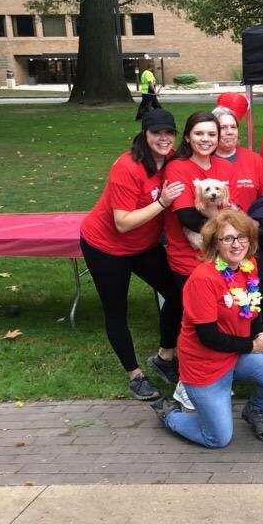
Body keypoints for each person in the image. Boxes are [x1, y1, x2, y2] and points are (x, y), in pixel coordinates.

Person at [152, 210, 263, 447]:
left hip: (235, 355)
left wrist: (262, 336)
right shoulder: (203, 278)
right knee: (217, 438)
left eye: (242, 237)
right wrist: (253, 345)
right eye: (228, 239)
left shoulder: (249, 266)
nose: (236, 245)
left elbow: (251, 310)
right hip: (205, 365)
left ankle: (256, 410)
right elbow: (208, 337)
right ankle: (170, 415)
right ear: (215, 244)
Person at [79, 109, 184, 400]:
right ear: (144, 135)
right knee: (116, 310)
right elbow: (122, 223)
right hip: (106, 246)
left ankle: (164, 357)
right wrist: (163, 202)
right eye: (156, 133)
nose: (163, 139)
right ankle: (135, 375)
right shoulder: (127, 166)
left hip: (144, 245)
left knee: (178, 292)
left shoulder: (172, 159)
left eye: (169, 133)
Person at [156, 112, 235, 386]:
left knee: (216, 309)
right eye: (199, 134)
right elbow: (187, 218)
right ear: (188, 137)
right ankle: (179, 364)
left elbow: (228, 209)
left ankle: (215, 362)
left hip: (220, 253)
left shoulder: (223, 168)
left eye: (211, 134)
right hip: (188, 255)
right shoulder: (178, 168)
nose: (206, 139)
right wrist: (225, 229)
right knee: (192, 313)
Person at [212, 106, 263, 211]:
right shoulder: (204, 161)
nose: (230, 132)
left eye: (233, 127)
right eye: (223, 128)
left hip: (251, 223)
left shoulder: (254, 160)